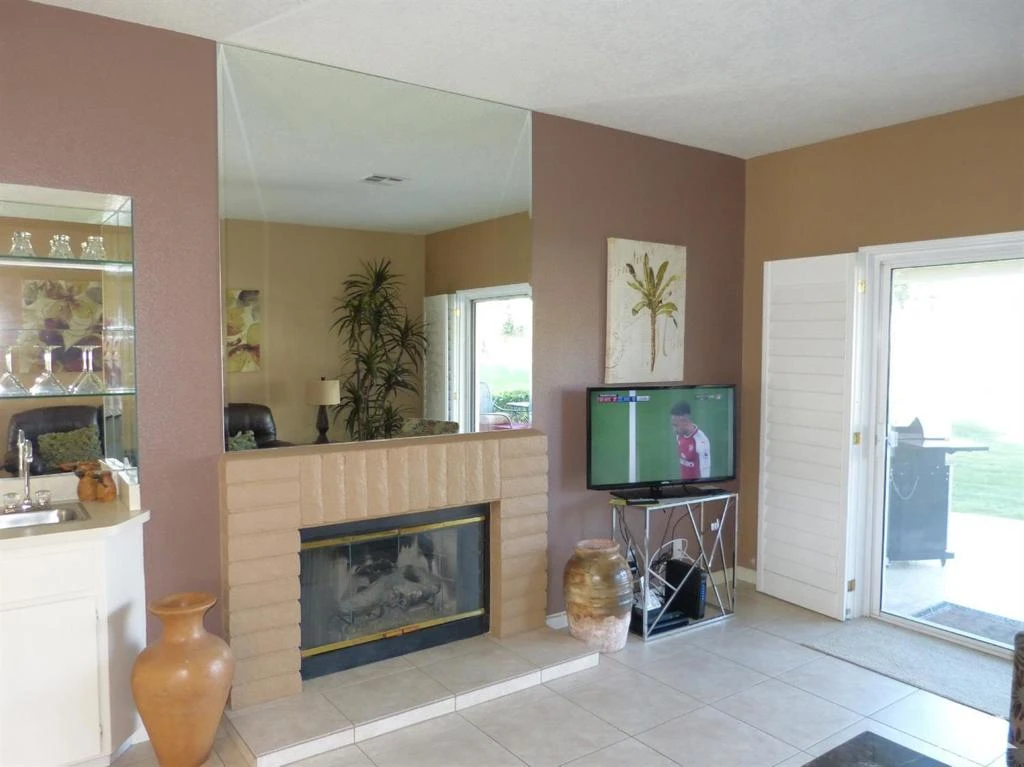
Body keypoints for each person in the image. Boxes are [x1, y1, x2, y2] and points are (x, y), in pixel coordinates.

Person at [670, 401, 710, 480]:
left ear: (684, 421)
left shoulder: (700, 442)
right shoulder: (679, 435)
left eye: (675, 425)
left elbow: (705, 472)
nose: (673, 430)